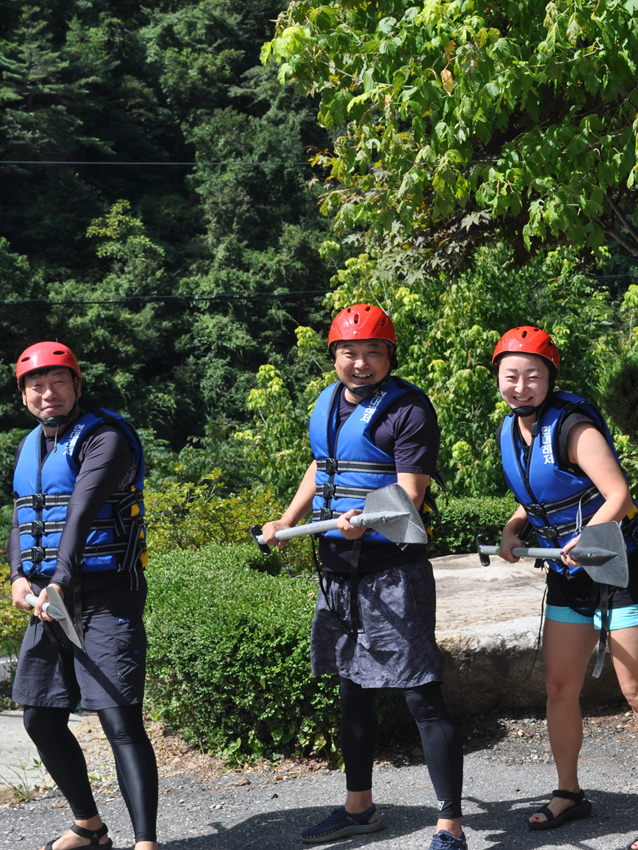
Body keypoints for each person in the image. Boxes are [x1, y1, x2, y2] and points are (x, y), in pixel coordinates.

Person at [261, 305, 465, 850]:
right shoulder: (328, 403)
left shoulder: (409, 409)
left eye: (373, 352)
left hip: (391, 571)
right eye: (349, 352)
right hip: (336, 571)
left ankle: (450, 826)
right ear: (334, 356)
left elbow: (410, 494)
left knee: (421, 695)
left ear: (389, 356)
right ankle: (359, 808)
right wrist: (287, 519)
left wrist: (367, 520)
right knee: (353, 689)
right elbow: (321, 466)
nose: (360, 362)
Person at [491, 326, 638, 850]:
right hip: (568, 575)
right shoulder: (511, 430)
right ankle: (569, 793)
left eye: (533, 376)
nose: (521, 386)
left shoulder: (573, 427)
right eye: (511, 376)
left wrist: (587, 536)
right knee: (560, 687)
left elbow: (617, 494)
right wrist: (513, 529)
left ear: (550, 378)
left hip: (619, 568)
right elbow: (538, 495)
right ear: (499, 378)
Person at [8, 342, 158, 850]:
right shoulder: (30, 446)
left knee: (119, 718)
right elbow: (23, 515)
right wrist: (18, 576)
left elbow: (81, 510)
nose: (47, 393)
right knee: (40, 716)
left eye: (58, 383)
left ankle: (146, 842)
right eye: (36, 386)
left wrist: (61, 579)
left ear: (76, 386)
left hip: (105, 591)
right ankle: (89, 827)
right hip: (50, 597)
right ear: (24, 395)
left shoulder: (105, 438)